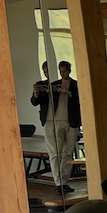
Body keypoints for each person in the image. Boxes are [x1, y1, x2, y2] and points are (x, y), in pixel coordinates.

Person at [31, 60, 81, 195]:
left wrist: (68, 93)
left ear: (69, 71)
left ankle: (63, 181)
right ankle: (59, 182)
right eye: (60, 71)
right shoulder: (52, 85)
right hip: (54, 122)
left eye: (64, 71)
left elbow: (81, 100)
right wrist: (37, 93)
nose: (62, 73)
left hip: (72, 121)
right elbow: (36, 101)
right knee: (55, 152)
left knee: (68, 152)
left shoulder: (76, 85)